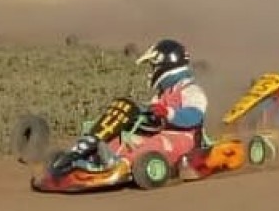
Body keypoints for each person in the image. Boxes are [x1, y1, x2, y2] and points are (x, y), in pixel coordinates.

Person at [72, 38, 208, 166]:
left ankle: (122, 164)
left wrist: (168, 113)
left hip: (184, 140)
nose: (152, 72)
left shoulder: (190, 89)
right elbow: (151, 115)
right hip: (161, 133)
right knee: (123, 140)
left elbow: (195, 116)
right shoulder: (161, 95)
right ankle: (92, 158)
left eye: (153, 67)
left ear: (165, 66)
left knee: (154, 145)